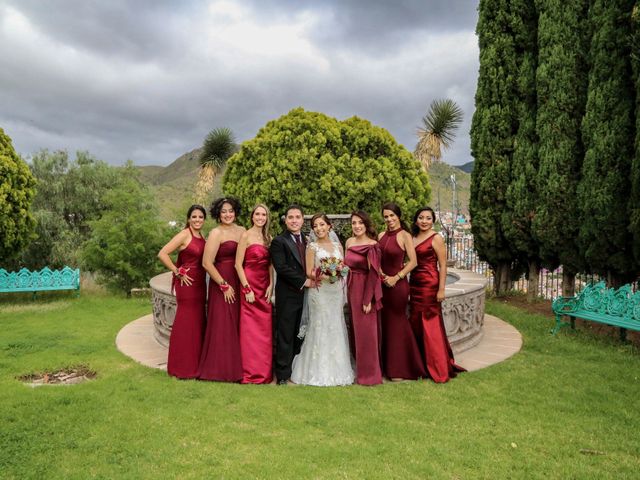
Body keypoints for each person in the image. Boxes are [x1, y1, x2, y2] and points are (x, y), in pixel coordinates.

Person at [291, 214, 354, 386]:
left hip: (335, 293)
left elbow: (344, 267)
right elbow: (309, 271)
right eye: (315, 226)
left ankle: (338, 371)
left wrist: (340, 272)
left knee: (336, 325)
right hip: (319, 292)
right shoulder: (312, 247)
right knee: (319, 325)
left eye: (322, 225)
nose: (319, 229)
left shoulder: (337, 246)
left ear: (329, 226)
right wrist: (325, 274)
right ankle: (314, 371)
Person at [409, 207, 465, 383]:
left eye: (428, 218)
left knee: (430, 324)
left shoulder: (437, 238)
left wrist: (441, 289)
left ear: (433, 221)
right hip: (414, 285)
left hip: (430, 285)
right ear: (416, 220)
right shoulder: (413, 238)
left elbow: (443, 265)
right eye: (421, 218)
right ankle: (421, 364)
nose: (424, 221)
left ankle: (438, 366)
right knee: (417, 323)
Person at [157, 205, 207, 379]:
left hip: (200, 284)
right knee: (186, 323)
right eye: (194, 217)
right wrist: (177, 271)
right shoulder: (185, 234)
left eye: (201, 217)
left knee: (197, 323)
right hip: (187, 284)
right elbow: (162, 253)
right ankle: (182, 368)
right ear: (188, 219)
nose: (197, 220)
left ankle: (195, 364)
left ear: (204, 220)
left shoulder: (202, 236)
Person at [198, 197, 245, 382]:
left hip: (239, 279)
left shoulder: (242, 231)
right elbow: (206, 263)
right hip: (222, 282)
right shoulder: (216, 233)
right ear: (218, 213)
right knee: (222, 323)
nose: (228, 214)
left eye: (231, 210)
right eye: (224, 211)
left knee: (236, 323)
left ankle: (237, 366)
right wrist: (224, 285)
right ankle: (219, 369)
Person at [378, 202, 426, 381]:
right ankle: (387, 366)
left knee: (397, 323)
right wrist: (382, 275)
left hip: (397, 286)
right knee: (386, 324)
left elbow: (413, 262)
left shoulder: (405, 235)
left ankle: (402, 368)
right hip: (382, 284)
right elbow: (377, 258)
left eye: (392, 215)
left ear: (398, 216)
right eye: (386, 216)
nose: (389, 219)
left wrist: (396, 277)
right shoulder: (381, 235)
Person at [271, 204, 314, 385]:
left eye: (298, 217)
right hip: (288, 295)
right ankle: (282, 375)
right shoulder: (279, 241)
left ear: (303, 220)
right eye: (291, 217)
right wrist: (304, 281)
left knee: (300, 333)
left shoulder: (308, 241)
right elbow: (281, 268)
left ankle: (296, 370)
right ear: (285, 220)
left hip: (308, 295)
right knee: (286, 334)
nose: (294, 220)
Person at [236, 204, 274, 384]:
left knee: (264, 330)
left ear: (267, 217)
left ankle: (264, 372)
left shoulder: (268, 237)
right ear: (252, 217)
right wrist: (246, 288)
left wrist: (271, 284)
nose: (260, 217)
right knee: (250, 330)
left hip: (264, 285)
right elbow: (238, 264)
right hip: (250, 284)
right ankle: (250, 372)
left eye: (263, 214)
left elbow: (270, 264)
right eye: (257, 214)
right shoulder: (246, 235)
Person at [344, 210, 383, 386]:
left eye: (360, 223)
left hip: (365, 289)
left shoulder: (372, 245)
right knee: (356, 332)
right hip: (352, 289)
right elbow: (345, 267)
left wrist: (368, 299)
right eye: (354, 223)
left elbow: (373, 274)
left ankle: (370, 376)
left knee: (367, 333)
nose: (357, 226)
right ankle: (360, 370)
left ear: (366, 225)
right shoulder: (349, 242)